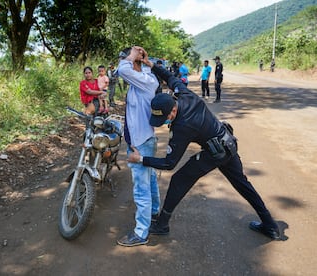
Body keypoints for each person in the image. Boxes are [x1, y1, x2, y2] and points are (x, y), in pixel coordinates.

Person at [127, 53, 281, 241]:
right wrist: (150, 64)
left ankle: (162, 224)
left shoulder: (183, 125)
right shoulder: (184, 94)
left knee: (178, 180)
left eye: (165, 117)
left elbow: (169, 163)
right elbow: (171, 77)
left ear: (173, 110)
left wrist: (141, 159)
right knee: (242, 184)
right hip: (228, 142)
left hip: (215, 152)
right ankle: (270, 225)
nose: (165, 121)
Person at [116, 46, 160, 247]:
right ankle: (154, 212)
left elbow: (123, 70)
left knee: (141, 190)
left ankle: (141, 233)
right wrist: (141, 61)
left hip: (141, 144)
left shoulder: (143, 82)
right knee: (150, 179)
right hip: (144, 140)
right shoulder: (144, 80)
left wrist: (133, 57)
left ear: (133, 62)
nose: (123, 62)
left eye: (125, 59)